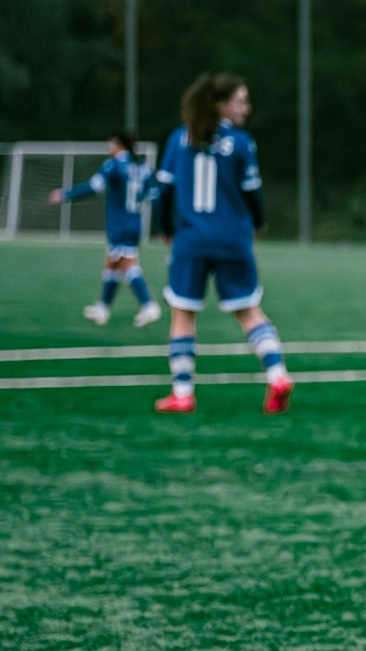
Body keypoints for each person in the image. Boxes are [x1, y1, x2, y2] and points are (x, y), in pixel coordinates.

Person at [152, 73, 292, 415]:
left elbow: (163, 191)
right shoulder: (242, 142)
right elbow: (253, 193)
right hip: (233, 240)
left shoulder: (179, 138)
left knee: (183, 315)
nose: (248, 107)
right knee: (249, 312)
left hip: (191, 240)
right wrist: (258, 224)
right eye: (241, 100)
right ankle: (278, 376)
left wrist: (165, 228)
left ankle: (182, 393)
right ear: (220, 105)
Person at [49, 132, 160, 327]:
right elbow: (154, 192)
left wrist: (65, 194)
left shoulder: (114, 165)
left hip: (119, 224)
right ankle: (102, 308)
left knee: (128, 264)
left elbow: (94, 186)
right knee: (112, 263)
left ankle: (148, 305)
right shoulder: (142, 166)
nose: (109, 146)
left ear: (118, 144)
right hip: (134, 222)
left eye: (111, 143)